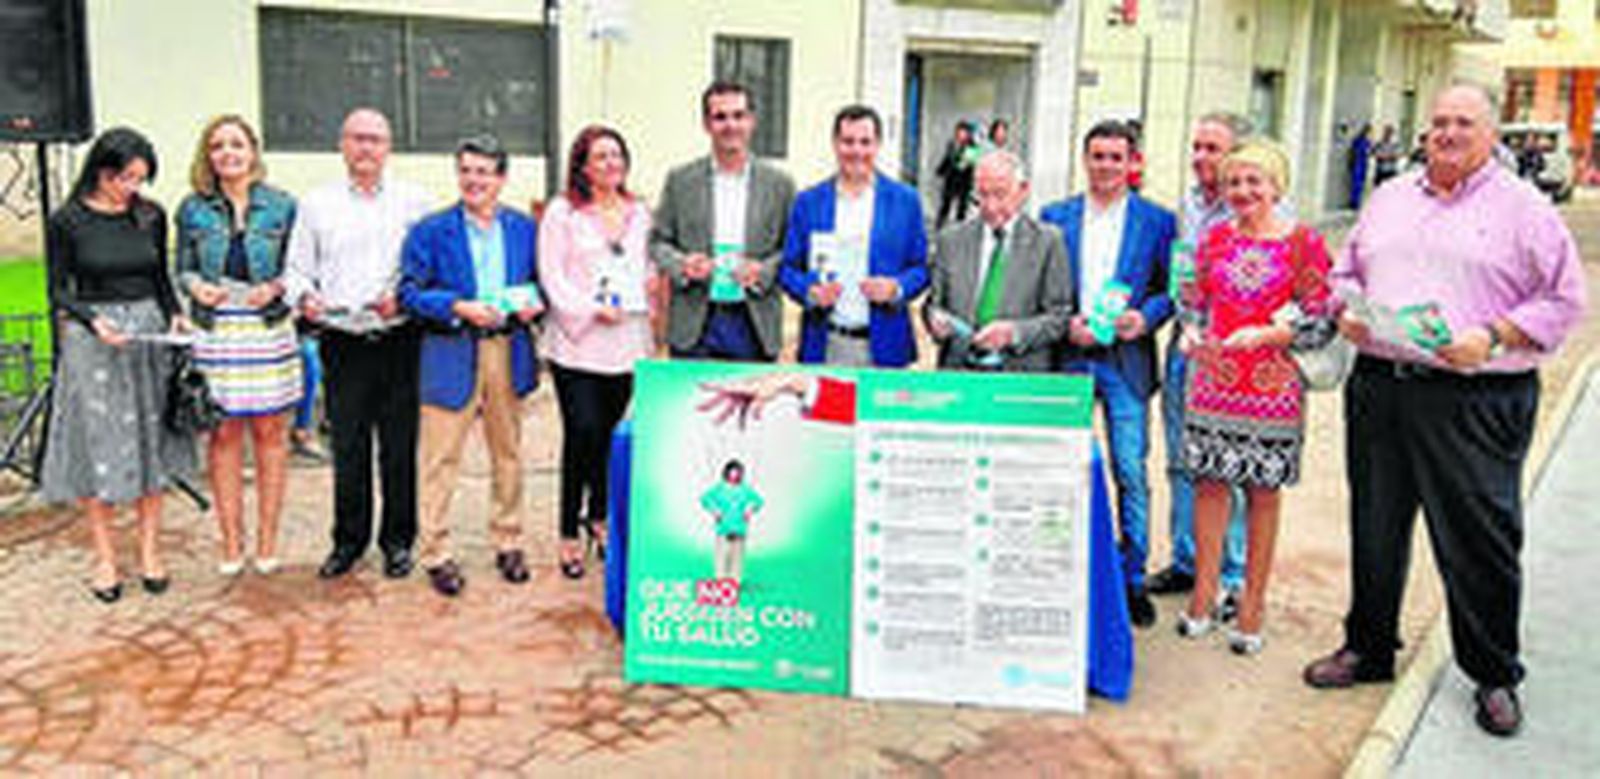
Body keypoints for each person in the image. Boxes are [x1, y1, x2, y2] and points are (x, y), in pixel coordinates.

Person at [1304, 84, 1587, 737]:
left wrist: (1493, 336)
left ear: (1490, 135)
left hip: (1474, 395)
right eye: (1438, 122)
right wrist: (1346, 308)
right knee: (1375, 525)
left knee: (1480, 537)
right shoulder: (1392, 196)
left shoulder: (1525, 209)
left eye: (1464, 122)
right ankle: (1369, 646)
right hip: (1381, 385)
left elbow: (1565, 299)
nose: (1448, 133)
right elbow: (1347, 271)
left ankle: (1493, 672)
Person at [1172, 141, 1337, 656]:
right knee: (1209, 487)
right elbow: (1194, 303)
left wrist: (1270, 337)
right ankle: (1203, 595)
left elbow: (1322, 315)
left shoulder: (1304, 244)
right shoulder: (1215, 239)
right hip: (1213, 382)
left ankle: (1252, 604)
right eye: (1234, 183)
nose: (1243, 192)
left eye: (1254, 182)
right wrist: (1189, 332)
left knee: (1263, 493)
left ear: (1276, 186)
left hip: (1271, 388)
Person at [41, 127, 194, 602]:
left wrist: (176, 315)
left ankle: (150, 551)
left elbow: (159, 277)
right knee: (98, 441)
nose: (133, 188)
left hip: (147, 335)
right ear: (102, 172)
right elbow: (59, 288)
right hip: (96, 341)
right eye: (126, 178)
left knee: (151, 438)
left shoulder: (149, 216)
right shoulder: (67, 220)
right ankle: (105, 557)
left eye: (141, 179)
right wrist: (91, 320)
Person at [283, 108, 431, 580]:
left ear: (389, 147)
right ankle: (348, 542)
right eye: (357, 138)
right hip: (343, 341)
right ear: (342, 144)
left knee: (399, 447)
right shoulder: (316, 204)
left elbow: (426, 269)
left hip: (398, 338)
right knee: (348, 447)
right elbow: (297, 270)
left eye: (376, 139)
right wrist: (304, 296)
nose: (366, 148)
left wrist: (402, 297)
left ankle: (398, 542)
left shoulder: (415, 202)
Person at [1039, 120, 1176, 628]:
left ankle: (1131, 579)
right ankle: (1063, 570)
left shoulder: (1157, 221)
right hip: (1069, 358)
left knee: (1130, 472)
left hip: (1125, 361)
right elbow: (1043, 287)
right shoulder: (1056, 217)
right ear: (1085, 159)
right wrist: (1063, 323)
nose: (1106, 166)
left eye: (1116, 157)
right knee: (1063, 470)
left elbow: (1170, 291)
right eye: (1098, 156)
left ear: (1131, 162)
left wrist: (1146, 317)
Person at [399, 135, 543, 597]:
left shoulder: (525, 228)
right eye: (466, 171)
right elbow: (409, 292)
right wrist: (458, 306)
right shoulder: (430, 230)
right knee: (441, 458)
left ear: (501, 178)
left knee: (509, 454)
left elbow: (542, 283)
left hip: (508, 348)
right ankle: (436, 551)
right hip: (450, 350)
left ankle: (508, 540)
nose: (474, 180)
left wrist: (533, 305)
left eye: (484, 172)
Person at [174, 115, 301, 577]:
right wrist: (194, 286)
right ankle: (231, 540)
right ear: (208, 156)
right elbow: (181, 266)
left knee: (270, 431)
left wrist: (281, 286)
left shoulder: (283, 205)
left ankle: (267, 539)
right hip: (218, 328)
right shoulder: (193, 208)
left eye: (236, 144)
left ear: (253, 151)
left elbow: (301, 266)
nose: (227, 153)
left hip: (267, 327)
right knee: (224, 434)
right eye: (218, 146)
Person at [1147, 112, 1261, 621]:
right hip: (1183, 345)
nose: (1200, 158)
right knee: (1180, 459)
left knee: (1226, 466)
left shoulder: (1255, 210)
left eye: (1212, 149)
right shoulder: (1189, 205)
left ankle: (1231, 574)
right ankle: (1188, 560)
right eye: (1196, 147)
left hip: (1228, 356)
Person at [539, 125, 656, 579]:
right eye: (600, 156)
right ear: (582, 165)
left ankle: (600, 517)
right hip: (577, 343)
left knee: (609, 436)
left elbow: (647, 266)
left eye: (616, 156)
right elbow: (552, 275)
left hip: (626, 342)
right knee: (581, 432)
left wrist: (647, 286)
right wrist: (589, 310)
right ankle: (568, 530)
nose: (610, 164)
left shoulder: (641, 212)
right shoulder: (563, 212)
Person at [651, 81, 796, 362]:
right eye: (720, 117)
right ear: (706, 124)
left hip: (754, 320)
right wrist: (682, 264)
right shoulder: (680, 180)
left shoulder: (780, 184)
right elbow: (658, 241)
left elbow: (792, 248)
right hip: (695, 322)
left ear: (752, 121)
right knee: (691, 405)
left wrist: (764, 270)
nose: (730, 125)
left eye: (738, 115)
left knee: (752, 404)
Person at [779, 105, 929, 368]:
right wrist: (810, 292)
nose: (857, 151)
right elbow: (788, 269)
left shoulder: (905, 201)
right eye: (848, 142)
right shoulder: (809, 202)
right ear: (835, 144)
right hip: (826, 344)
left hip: (886, 346)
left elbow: (921, 267)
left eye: (865, 142)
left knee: (879, 412)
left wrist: (896, 288)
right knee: (824, 411)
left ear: (878, 145)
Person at [924, 150, 1071, 372]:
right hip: (960, 375)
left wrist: (1014, 333)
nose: (990, 207)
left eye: (1000, 195)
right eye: (982, 195)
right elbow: (933, 304)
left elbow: (1059, 318)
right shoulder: (950, 240)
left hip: (1019, 379)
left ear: (1023, 191)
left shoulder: (1048, 242)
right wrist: (934, 322)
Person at [701, 459, 764, 583]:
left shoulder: (744, 489)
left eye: (738, 472)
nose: (734, 475)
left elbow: (759, 500)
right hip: (723, 529)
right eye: (732, 472)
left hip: (739, 529)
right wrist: (715, 510)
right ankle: (720, 580)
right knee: (722, 556)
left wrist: (750, 509)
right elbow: (705, 499)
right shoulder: (719, 488)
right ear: (727, 472)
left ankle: (734, 581)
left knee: (737, 557)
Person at [933, 121, 979, 228]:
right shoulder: (952, 144)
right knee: (945, 203)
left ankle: (960, 227)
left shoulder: (972, 148)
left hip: (964, 180)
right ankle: (939, 224)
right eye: (959, 132)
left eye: (964, 132)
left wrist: (957, 162)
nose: (961, 135)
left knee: (962, 206)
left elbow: (964, 164)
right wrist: (940, 170)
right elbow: (947, 159)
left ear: (968, 134)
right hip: (950, 179)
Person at [1346, 123, 1372, 210]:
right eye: (1366, 130)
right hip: (1357, 163)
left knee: (1361, 184)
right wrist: (1350, 163)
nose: (1367, 132)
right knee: (1356, 183)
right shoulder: (1357, 140)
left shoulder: (1368, 142)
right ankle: (1353, 202)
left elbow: (1369, 153)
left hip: (1364, 164)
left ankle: (1357, 202)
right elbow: (1352, 152)